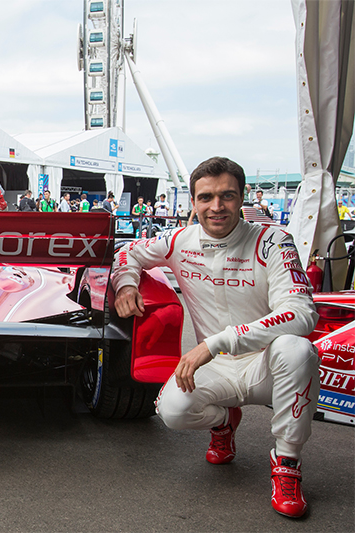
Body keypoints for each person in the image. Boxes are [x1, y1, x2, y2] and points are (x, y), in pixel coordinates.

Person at [112, 156, 319, 518]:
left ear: (242, 198)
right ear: (193, 202)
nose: (217, 206)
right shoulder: (179, 239)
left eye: (227, 195)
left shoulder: (274, 240)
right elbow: (127, 252)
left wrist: (216, 342)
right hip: (217, 366)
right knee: (172, 412)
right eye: (206, 197)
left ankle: (287, 462)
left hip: (266, 363)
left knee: (297, 349)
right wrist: (126, 285)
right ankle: (223, 423)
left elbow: (302, 313)